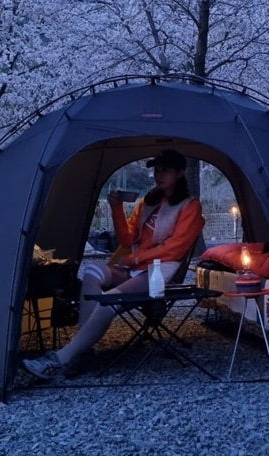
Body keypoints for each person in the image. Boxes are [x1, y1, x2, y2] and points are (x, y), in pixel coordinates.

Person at [22, 149, 204, 380]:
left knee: (108, 300)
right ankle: (83, 351)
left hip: (160, 271)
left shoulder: (190, 206)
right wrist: (116, 208)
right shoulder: (148, 202)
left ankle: (60, 359)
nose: (159, 175)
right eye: (157, 170)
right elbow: (127, 240)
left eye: (165, 170)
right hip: (135, 268)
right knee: (92, 271)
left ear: (180, 173)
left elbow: (174, 249)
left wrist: (135, 258)